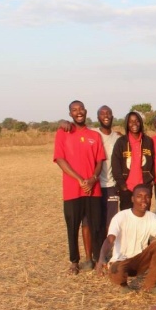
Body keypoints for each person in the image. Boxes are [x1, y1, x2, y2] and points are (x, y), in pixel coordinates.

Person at [95, 184, 156, 293]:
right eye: (139, 196)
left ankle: (151, 285)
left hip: (140, 261)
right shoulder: (121, 216)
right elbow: (110, 239)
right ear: (132, 198)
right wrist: (102, 257)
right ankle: (123, 285)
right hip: (121, 261)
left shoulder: (152, 217)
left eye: (147, 196)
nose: (143, 200)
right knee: (117, 271)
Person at [54, 100, 105, 274]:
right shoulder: (63, 132)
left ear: (85, 111)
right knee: (73, 226)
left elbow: (99, 161)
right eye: (74, 110)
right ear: (70, 114)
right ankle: (74, 261)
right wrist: (79, 180)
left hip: (93, 189)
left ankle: (95, 259)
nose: (78, 112)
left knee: (94, 226)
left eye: (81, 109)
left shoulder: (95, 135)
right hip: (72, 190)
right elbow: (60, 159)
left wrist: (92, 179)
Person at [112, 112, 155, 210]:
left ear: (140, 122)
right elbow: (115, 164)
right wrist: (122, 185)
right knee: (127, 219)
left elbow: (153, 162)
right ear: (127, 123)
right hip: (127, 188)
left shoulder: (148, 141)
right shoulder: (121, 142)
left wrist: (150, 181)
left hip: (144, 188)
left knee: (143, 219)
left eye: (136, 121)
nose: (134, 124)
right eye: (130, 121)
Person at [94, 105, 121, 238]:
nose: (105, 116)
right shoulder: (92, 134)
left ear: (112, 116)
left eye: (108, 113)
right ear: (98, 117)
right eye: (102, 113)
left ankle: (108, 250)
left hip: (111, 185)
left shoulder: (118, 138)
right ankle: (97, 251)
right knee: (95, 220)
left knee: (111, 221)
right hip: (94, 184)